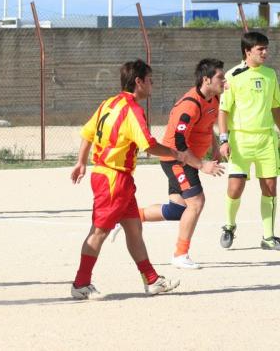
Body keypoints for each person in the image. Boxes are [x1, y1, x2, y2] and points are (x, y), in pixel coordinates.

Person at [70, 59, 184, 300]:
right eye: (150, 80)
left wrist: (81, 161)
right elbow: (148, 145)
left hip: (111, 176)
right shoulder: (132, 109)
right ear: (138, 82)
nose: (152, 84)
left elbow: (87, 133)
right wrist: (175, 154)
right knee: (99, 231)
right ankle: (81, 283)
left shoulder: (109, 103)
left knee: (133, 228)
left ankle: (152, 280)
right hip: (114, 178)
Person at [112, 59, 225, 269]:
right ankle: (180, 255)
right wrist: (202, 165)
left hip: (188, 159)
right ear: (206, 79)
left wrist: (216, 147)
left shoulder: (214, 99)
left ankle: (126, 217)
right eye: (220, 77)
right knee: (196, 202)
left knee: (177, 210)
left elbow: (207, 125)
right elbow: (179, 144)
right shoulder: (189, 105)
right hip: (177, 159)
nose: (224, 80)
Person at [219, 31, 280, 250]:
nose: (265, 52)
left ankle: (268, 237)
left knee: (270, 187)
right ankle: (229, 225)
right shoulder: (232, 75)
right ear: (247, 51)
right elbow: (224, 110)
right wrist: (223, 140)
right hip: (240, 140)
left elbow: (276, 107)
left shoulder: (271, 74)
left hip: (266, 139)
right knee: (235, 188)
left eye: (266, 48)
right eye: (260, 49)